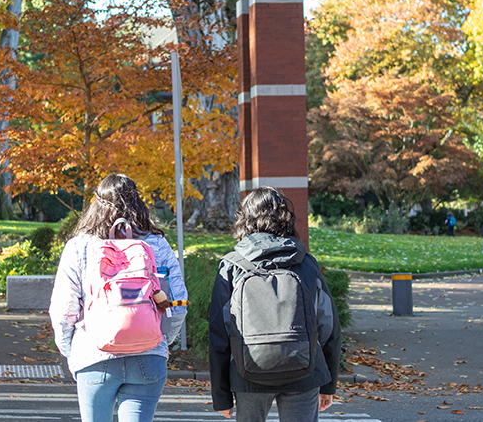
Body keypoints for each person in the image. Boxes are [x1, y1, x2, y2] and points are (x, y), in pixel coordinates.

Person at [50, 174, 187, 422]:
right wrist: (160, 337)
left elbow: (63, 310)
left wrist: (72, 351)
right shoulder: (157, 245)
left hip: (94, 355)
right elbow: (177, 305)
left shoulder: (79, 246)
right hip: (149, 355)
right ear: (138, 204)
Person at [209, 187, 340, 422]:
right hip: (305, 371)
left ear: (244, 220)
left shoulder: (232, 266)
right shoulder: (306, 263)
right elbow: (328, 324)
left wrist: (222, 396)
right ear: (284, 218)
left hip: (247, 372)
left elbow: (219, 334)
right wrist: (328, 383)